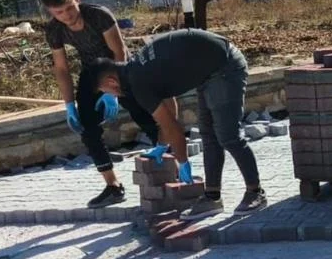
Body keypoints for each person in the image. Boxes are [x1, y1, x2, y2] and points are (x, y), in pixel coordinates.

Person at [85, 28, 267, 218]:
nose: (111, 95)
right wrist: (163, 145)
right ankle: (212, 198)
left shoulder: (139, 83)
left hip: (224, 66)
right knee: (209, 135)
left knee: (228, 136)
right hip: (209, 70)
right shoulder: (136, 68)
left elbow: (174, 129)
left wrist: (182, 162)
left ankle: (256, 192)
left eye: (106, 90)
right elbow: (170, 109)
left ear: (112, 81)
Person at [42, 0, 160, 209]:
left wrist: (113, 92)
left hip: (123, 68)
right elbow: (62, 68)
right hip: (92, 73)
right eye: (59, 12)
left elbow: (119, 51)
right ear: (50, 11)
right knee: (87, 127)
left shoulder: (98, 15)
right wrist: (69, 105)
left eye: (69, 7)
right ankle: (113, 186)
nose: (66, 15)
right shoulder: (54, 29)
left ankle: (170, 168)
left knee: (145, 116)